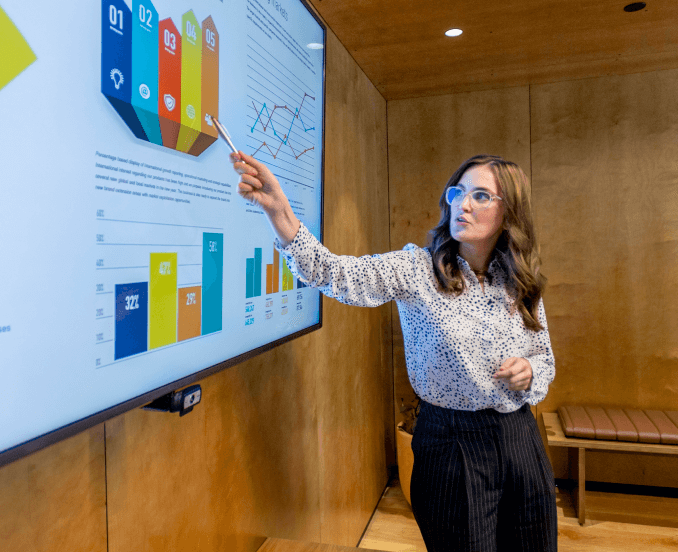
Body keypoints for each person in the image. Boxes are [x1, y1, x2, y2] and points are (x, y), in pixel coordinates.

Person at [230, 151, 558, 552]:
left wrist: (529, 370)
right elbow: (333, 273)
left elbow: (544, 358)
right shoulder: (416, 269)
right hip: (451, 445)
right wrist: (279, 209)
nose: (463, 203)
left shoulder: (520, 281)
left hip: (520, 436)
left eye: (481, 196)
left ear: (510, 212)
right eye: (458, 192)